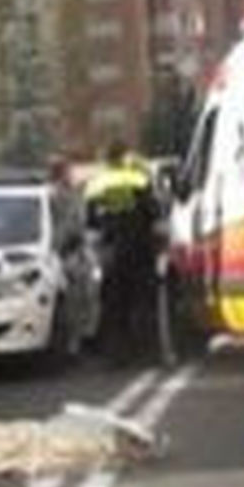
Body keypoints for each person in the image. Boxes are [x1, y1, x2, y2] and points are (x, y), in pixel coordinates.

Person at [84, 140, 159, 365]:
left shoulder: (96, 184)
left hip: (111, 252)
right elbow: (153, 212)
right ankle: (143, 352)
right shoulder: (139, 179)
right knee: (141, 302)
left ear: (106, 160)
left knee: (114, 306)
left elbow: (90, 222)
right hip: (139, 250)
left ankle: (115, 355)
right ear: (123, 157)